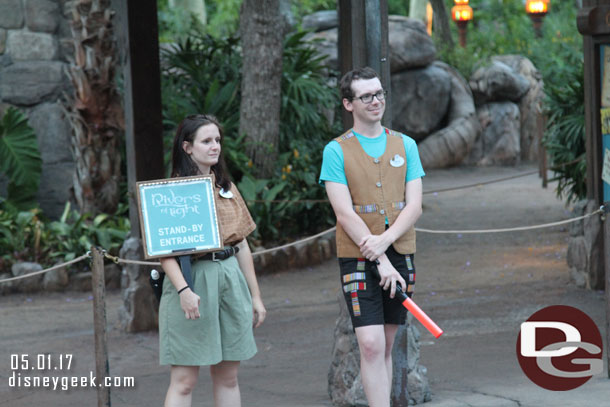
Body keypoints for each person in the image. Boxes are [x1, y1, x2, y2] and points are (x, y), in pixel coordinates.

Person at [319, 67, 425, 407]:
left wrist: (385, 242)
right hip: (357, 255)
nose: (376, 101)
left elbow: (415, 206)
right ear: (348, 104)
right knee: (370, 343)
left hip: (400, 252)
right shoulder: (336, 150)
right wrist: (377, 255)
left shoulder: (405, 145)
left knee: (388, 343)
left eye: (379, 94)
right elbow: (344, 213)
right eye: (366, 96)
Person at [158, 114, 266, 407]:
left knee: (229, 376)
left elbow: (241, 242)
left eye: (217, 140)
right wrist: (183, 291)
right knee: (184, 381)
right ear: (187, 147)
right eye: (206, 141)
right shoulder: (172, 191)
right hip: (193, 279)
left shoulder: (226, 187)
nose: (214, 146)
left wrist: (255, 295)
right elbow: (164, 252)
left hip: (230, 277)